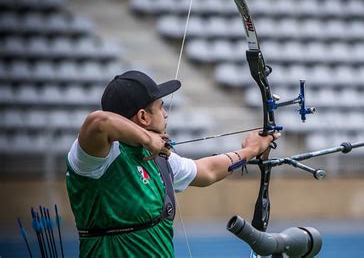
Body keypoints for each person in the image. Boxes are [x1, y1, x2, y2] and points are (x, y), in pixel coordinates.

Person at [65, 70, 279, 257]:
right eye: (160, 107)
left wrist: (250, 150)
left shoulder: (157, 158)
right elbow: (99, 122)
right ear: (143, 116)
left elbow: (208, 171)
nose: (166, 114)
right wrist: (149, 139)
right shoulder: (100, 157)